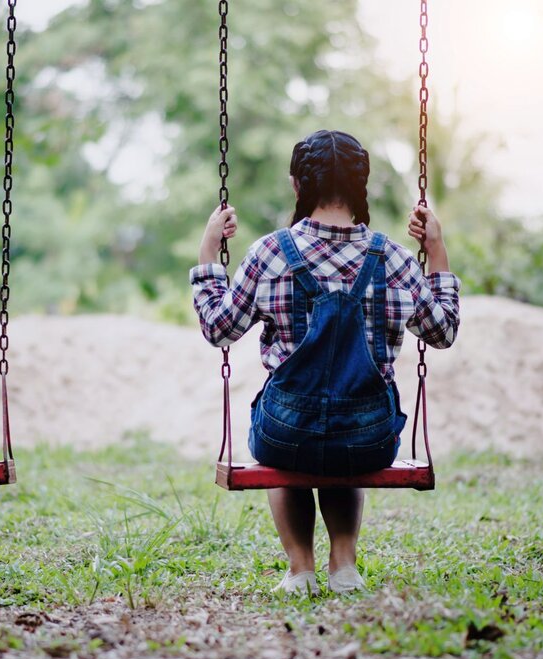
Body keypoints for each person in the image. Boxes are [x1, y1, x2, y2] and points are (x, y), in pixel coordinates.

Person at [189, 130, 461, 595]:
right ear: (362, 186)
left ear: (298, 186)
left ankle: (300, 570)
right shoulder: (393, 258)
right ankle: (344, 567)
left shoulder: (270, 253)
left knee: (290, 442)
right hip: (369, 435)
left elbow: (220, 329)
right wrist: (436, 250)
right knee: (344, 440)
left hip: (284, 431)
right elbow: (442, 331)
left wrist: (208, 252)